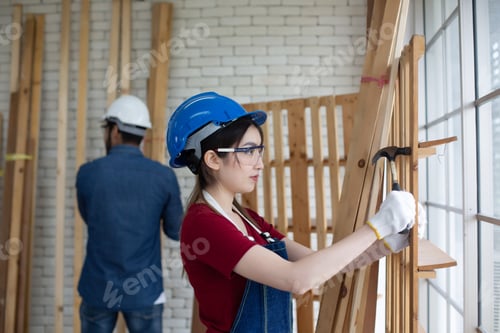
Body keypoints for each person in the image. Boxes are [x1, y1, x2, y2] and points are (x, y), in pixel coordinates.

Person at [166, 91, 416, 333]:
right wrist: (378, 225)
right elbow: (297, 279)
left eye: (259, 151)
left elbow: (320, 264)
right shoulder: (204, 225)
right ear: (212, 159)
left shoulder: (249, 219)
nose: (260, 163)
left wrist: (387, 242)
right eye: (248, 151)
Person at [76, 94, 184, 333]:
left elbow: (89, 217)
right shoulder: (163, 176)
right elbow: (176, 231)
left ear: (114, 130)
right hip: (144, 289)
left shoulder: (87, 174)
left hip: (98, 288)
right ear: (143, 135)